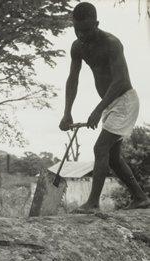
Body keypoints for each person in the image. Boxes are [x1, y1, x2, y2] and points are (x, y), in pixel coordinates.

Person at [59, 2, 150, 213]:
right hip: (110, 103)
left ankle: (92, 203)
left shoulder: (111, 43)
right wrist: (66, 112)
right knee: (113, 157)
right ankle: (140, 198)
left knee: (100, 148)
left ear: (96, 23)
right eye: (77, 30)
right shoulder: (77, 46)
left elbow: (120, 80)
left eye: (86, 30)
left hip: (125, 100)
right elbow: (73, 78)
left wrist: (98, 109)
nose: (81, 35)